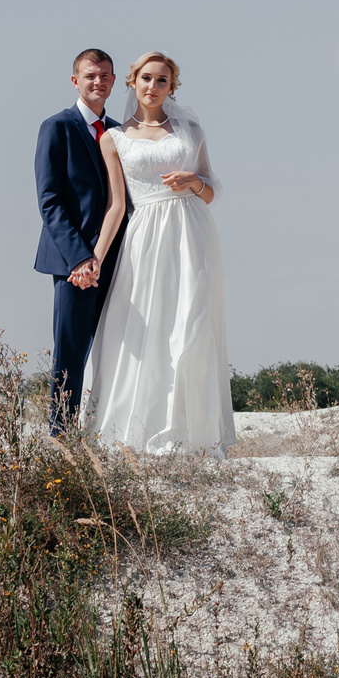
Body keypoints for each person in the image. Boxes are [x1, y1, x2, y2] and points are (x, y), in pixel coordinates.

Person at [82, 52, 235, 456]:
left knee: (193, 325)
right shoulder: (112, 138)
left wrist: (193, 181)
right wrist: (95, 257)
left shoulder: (190, 130)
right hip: (145, 235)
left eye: (162, 80)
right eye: (146, 78)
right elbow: (117, 206)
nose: (153, 86)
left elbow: (213, 189)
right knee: (145, 329)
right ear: (132, 82)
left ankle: (195, 436)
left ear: (172, 87)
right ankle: (138, 431)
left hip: (192, 232)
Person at [34, 48, 119, 431]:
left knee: (117, 346)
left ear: (114, 81)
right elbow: (49, 200)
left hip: (118, 258)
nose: (97, 81)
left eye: (104, 75)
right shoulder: (57, 127)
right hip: (73, 264)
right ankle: (61, 437)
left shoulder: (120, 133)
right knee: (70, 352)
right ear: (75, 81)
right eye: (90, 76)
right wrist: (80, 258)